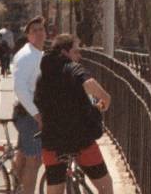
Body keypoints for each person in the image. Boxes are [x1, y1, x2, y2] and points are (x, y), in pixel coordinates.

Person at [34, 33, 114, 194]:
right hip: (80, 139)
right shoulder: (71, 67)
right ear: (65, 52)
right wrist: (105, 98)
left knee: (55, 189)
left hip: (52, 140)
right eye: (76, 51)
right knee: (106, 187)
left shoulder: (43, 74)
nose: (80, 55)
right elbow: (89, 83)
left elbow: (38, 102)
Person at [9, 17, 47, 194]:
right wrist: (36, 114)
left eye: (41, 29)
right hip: (28, 115)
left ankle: (14, 189)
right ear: (28, 35)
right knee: (34, 161)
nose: (39, 33)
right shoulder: (27, 55)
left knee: (24, 157)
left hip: (28, 113)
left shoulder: (38, 54)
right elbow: (20, 88)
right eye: (35, 31)